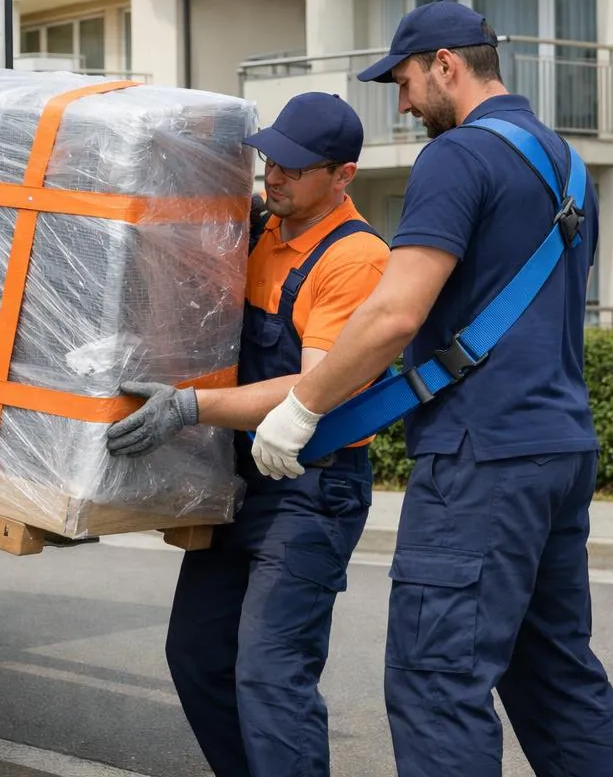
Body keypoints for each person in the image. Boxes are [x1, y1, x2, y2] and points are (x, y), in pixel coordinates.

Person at [252, 1, 613, 775]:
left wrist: (302, 406)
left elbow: (395, 313)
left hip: (480, 460)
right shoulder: (565, 163)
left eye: (404, 82)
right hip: (559, 448)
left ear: (447, 67)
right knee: (557, 677)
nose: (402, 104)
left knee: (435, 682)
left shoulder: (456, 158)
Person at [104, 92, 389, 776]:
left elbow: (309, 390)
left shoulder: (355, 260)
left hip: (311, 492)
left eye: (294, 167)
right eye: (269, 159)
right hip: (242, 481)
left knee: (270, 675)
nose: (275, 175)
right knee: (197, 656)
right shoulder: (262, 228)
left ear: (343, 176)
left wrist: (187, 408)